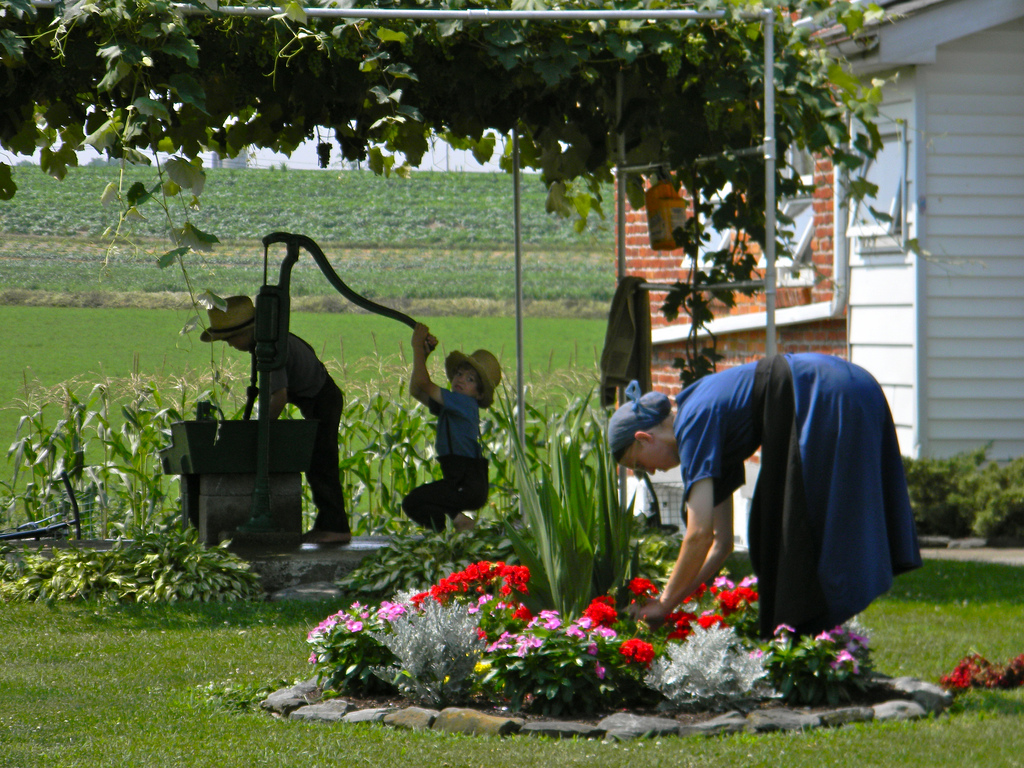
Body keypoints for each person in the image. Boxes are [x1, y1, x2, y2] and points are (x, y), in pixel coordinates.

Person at [608, 353, 922, 639]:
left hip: (825, 394)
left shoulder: (693, 424)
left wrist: (663, 603)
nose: (648, 473)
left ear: (644, 438)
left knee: (797, 531)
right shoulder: (701, 419)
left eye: (638, 464)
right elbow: (721, 545)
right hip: (848, 385)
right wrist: (671, 603)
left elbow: (698, 534)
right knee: (775, 530)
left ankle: (812, 647)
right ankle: (816, 645)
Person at [200, 295, 351, 544]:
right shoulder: (267, 343)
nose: (229, 345)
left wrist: (262, 431)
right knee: (318, 462)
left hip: (322, 398)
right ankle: (329, 524)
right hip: (314, 396)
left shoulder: (270, 350)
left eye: (230, 338)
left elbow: (278, 397)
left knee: (321, 462)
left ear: (247, 331)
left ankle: (335, 527)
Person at [402, 322, 501, 532]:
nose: (461, 380)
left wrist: (418, 349)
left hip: (466, 481)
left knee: (414, 502)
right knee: (420, 502)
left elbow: (423, 383)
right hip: (462, 480)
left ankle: (458, 524)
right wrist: (424, 356)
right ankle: (457, 526)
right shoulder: (453, 404)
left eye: (470, 379)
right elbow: (416, 390)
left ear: (479, 394)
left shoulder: (464, 404)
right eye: (459, 374)